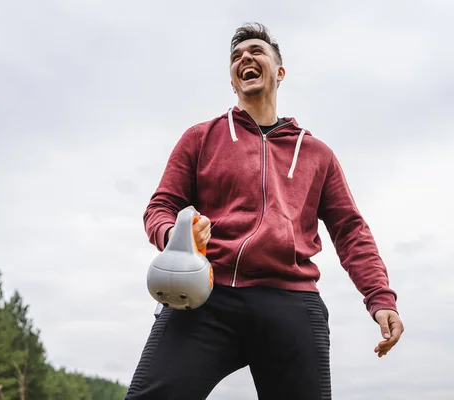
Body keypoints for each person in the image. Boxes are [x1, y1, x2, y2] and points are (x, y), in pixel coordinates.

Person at [125, 22, 404, 400]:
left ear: (279, 72)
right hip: (207, 295)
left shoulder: (316, 154)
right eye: (236, 57)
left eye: (256, 52)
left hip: (290, 301)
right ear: (233, 81)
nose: (245, 59)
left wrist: (380, 297)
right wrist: (176, 237)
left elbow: (351, 230)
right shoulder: (200, 138)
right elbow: (161, 207)